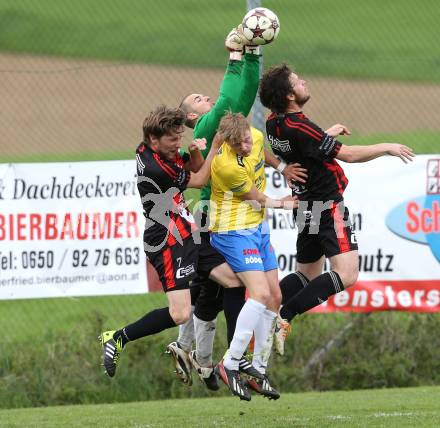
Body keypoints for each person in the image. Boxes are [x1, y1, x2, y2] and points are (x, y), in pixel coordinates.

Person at [171, 28, 307, 389]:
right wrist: (239, 55)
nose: (206, 99)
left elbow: (242, 101)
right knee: (230, 291)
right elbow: (234, 95)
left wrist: (246, 57)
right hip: (221, 222)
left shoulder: (235, 132)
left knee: (219, 292)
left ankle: (202, 355)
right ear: (190, 118)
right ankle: (220, 360)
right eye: (198, 99)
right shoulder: (207, 125)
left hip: (244, 222)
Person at [259, 64, 414, 351]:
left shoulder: (274, 122)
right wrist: (387, 147)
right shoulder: (302, 127)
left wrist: (326, 134)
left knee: (306, 274)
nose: (304, 81)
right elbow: (349, 155)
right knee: (347, 274)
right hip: (326, 206)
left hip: (304, 205)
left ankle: (263, 313)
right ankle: (284, 315)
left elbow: (303, 147)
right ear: (290, 95)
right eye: (297, 81)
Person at [99, 106, 239, 380]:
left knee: (234, 280)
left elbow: (192, 163)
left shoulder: (152, 147)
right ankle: (116, 338)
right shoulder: (156, 167)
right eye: (173, 140)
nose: (178, 144)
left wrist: (194, 151)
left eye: (179, 137)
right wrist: (215, 146)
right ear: (154, 140)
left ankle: (234, 358)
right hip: (166, 240)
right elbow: (199, 178)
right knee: (180, 313)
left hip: (187, 231)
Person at [210, 112, 298, 401]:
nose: (246, 147)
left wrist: (282, 167)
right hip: (233, 230)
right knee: (259, 295)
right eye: (239, 145)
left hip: (257, 228)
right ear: (226, 141)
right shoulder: (225, 165)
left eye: (247, 140)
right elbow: (258, 198)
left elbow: (263, 154)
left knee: (274, 297)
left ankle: (257, 370)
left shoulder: (255, 137)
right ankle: (230, 362)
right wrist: (287, 204)